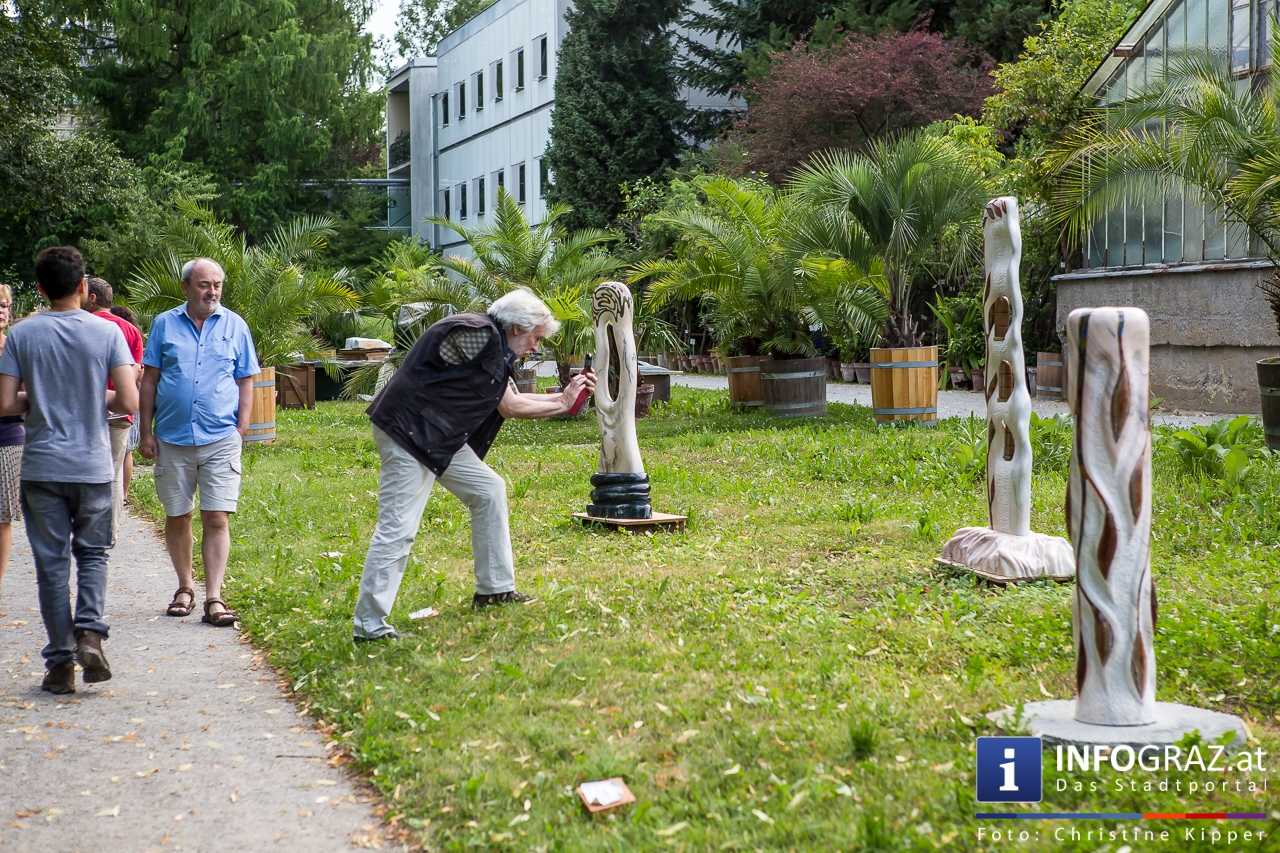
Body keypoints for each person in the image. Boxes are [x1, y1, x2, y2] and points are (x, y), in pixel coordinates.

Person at [353, 288, 596, 642]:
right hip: (409, 433)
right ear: (516, 327)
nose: (534, 347)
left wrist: (563, 398)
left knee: (488, 490)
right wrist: (562, 401)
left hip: (437, 436)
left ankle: (495, 590)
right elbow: (510, 405)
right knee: (399, 528)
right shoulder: (478, 334)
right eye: (534, 337)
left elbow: (508, 401)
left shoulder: (493, 345)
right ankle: (370, 626)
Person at [0, 246, 137, 694]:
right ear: (83, 286)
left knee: (51, 566)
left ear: (39, 288)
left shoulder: (21, 335)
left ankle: (60, 664)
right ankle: (91, 634)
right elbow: (128, 401)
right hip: (93, 466)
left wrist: (37, 400)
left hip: (42, 467)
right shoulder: (107, 333)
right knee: (94, 554)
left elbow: (5, 404)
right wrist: (94, 398)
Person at [138, 257, 258, 628]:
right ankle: (185, 587)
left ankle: (214, 597)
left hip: (220, 436)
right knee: (178, 514)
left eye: (217, 285)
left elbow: (246, 378)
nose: (212, 292)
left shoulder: (235, 325)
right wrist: (145, 431)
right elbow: (150, 380)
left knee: (217, 515)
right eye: (205, 285)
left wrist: (241, 427)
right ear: (186, 287)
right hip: (173, 437)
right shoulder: (164, 325)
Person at [85, 278, 144, 541]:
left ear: (93, 298)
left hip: (85, 410)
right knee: (114, 471)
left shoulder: (84, 326)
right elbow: (138, 372)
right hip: (121, 413)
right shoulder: (131, 331)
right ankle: (110, 531)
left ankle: (86, 528)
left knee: (85, 471)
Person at [109, 304, 143, 499]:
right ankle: (124, 494)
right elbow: (140, 370)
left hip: (113, 401)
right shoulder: (133, 333)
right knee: (126, 451)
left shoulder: (107, 329)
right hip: (128, 403)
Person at [0, 284, 21, 592]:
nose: (1, 310)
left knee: (2, 515)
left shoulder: (13, 346)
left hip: (8, 435)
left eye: (4, 305)